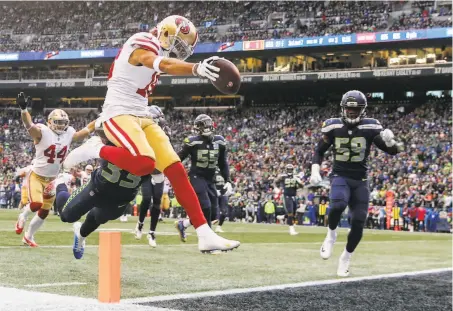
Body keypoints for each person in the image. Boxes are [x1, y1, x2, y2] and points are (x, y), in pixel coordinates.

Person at [61, 15, 239, 253]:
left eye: (182, 49)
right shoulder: (142, 40)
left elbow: (162, 64)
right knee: (145, 162)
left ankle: (204, 233)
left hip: (140, 113)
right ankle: (94, 148)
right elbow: (161, 64)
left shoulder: (159, 51)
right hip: (117, 112)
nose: (176, 52)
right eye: (177, 44)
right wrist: (196, 68)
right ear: (165, 33)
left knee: (176, 169)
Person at [309, 90, 404, 277]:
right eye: (349, 109)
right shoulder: (332, 126)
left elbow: (394, 151)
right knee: (338, 205)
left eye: (356, 109)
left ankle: (346, 257)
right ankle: (331, 235)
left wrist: (391, 142)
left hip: (360, 179)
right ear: (343, 108)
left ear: (362, 110)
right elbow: (319, 150)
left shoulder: (372, 127)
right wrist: (314, 169)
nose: (351, 113)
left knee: (359, 222)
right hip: (340, 175)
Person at [15, 92, 95, 247]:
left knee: (44, 212)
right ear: (50, 121)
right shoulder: (42, 131)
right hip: (36, 175)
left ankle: (29, 236)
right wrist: (24, 109)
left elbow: (86, 131)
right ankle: (22, 216)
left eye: (63, 122)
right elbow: (28, 126)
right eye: (57, 121)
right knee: (36, 204)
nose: (60, 125)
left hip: (52, 178)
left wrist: (101, 119)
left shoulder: (69, 133)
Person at [175, 114, 233, 241]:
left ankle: (183, 224)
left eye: (206, 124)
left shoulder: (220, 141)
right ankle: (209, 239)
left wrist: (228, 180)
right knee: (205, 205)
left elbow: (223, 163)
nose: (205, 127)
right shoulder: (192, 142)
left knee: (212, 212)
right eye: (202, 125)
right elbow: (178, 158)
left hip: (210, 178)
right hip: (197, 176)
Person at [134, 106, 167, 247]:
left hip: (158, 170)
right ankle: (140, 224)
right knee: (147, 198)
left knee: (157, 202)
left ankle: (152, 232)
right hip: (146, 169)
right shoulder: (141, 133)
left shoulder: (165, 133)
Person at [275, 164, 303, 235]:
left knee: (293, 213)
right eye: (288, 169)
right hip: (286, 196)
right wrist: (277, 188)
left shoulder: (296, 177)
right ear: (286, 169)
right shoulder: (283, 177)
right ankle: (291, 229)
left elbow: (302, 186)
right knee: (290, 213)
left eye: (291, 169)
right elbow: (275, 182)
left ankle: (283, 217)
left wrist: (299, 183)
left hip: (294, 196)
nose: (290, 171)